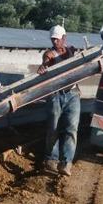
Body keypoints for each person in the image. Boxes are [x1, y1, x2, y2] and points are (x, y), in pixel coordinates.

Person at [37, 25, 80, 176]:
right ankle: (51, 160)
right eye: (53, 39)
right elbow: (46, 62)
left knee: (71, 128)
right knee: (54, 127)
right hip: (56, 94)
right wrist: (44, 67)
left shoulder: (72, 51)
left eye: (57, 39)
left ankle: (66, 163)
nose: (55, 42)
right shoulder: (50, 54)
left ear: (64, 38)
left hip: (73, 93)